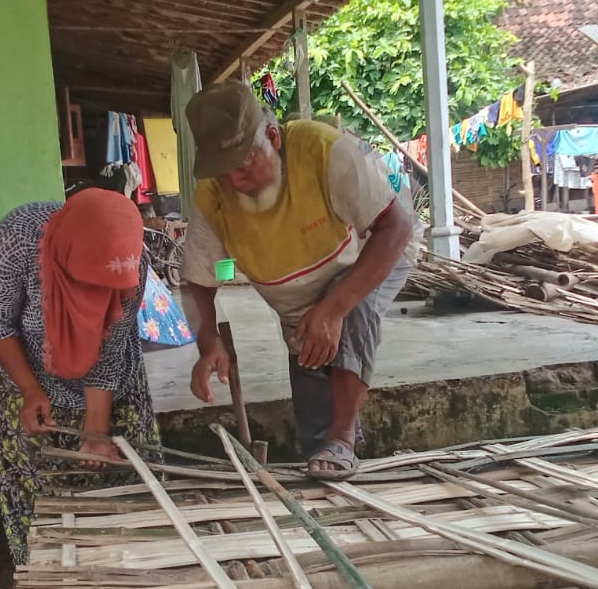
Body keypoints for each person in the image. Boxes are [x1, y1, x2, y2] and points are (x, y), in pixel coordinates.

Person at [180, 81, 422, 481]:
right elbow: (200, 280)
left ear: (273, 137)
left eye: (243, 165)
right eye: (223, 172)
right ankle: (324, 450)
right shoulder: (213, 198)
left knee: (348, 309)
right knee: (309, 355)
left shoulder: (323, 150)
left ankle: (343, 437)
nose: (235, 181)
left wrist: (334, 308)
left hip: (372, 250)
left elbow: (394, 226)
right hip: (295, 291)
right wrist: (209, 341)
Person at [0, 189, 161, 589]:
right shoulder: (17, 240)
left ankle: (126, 573)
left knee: (129, 469)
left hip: (113, 377)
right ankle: (39, 579)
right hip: (26, 369)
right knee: (35, 478)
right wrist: (31, 392)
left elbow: (113, 343)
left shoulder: (132, 260)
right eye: (88, 283)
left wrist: (97, 434)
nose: (98, 298)